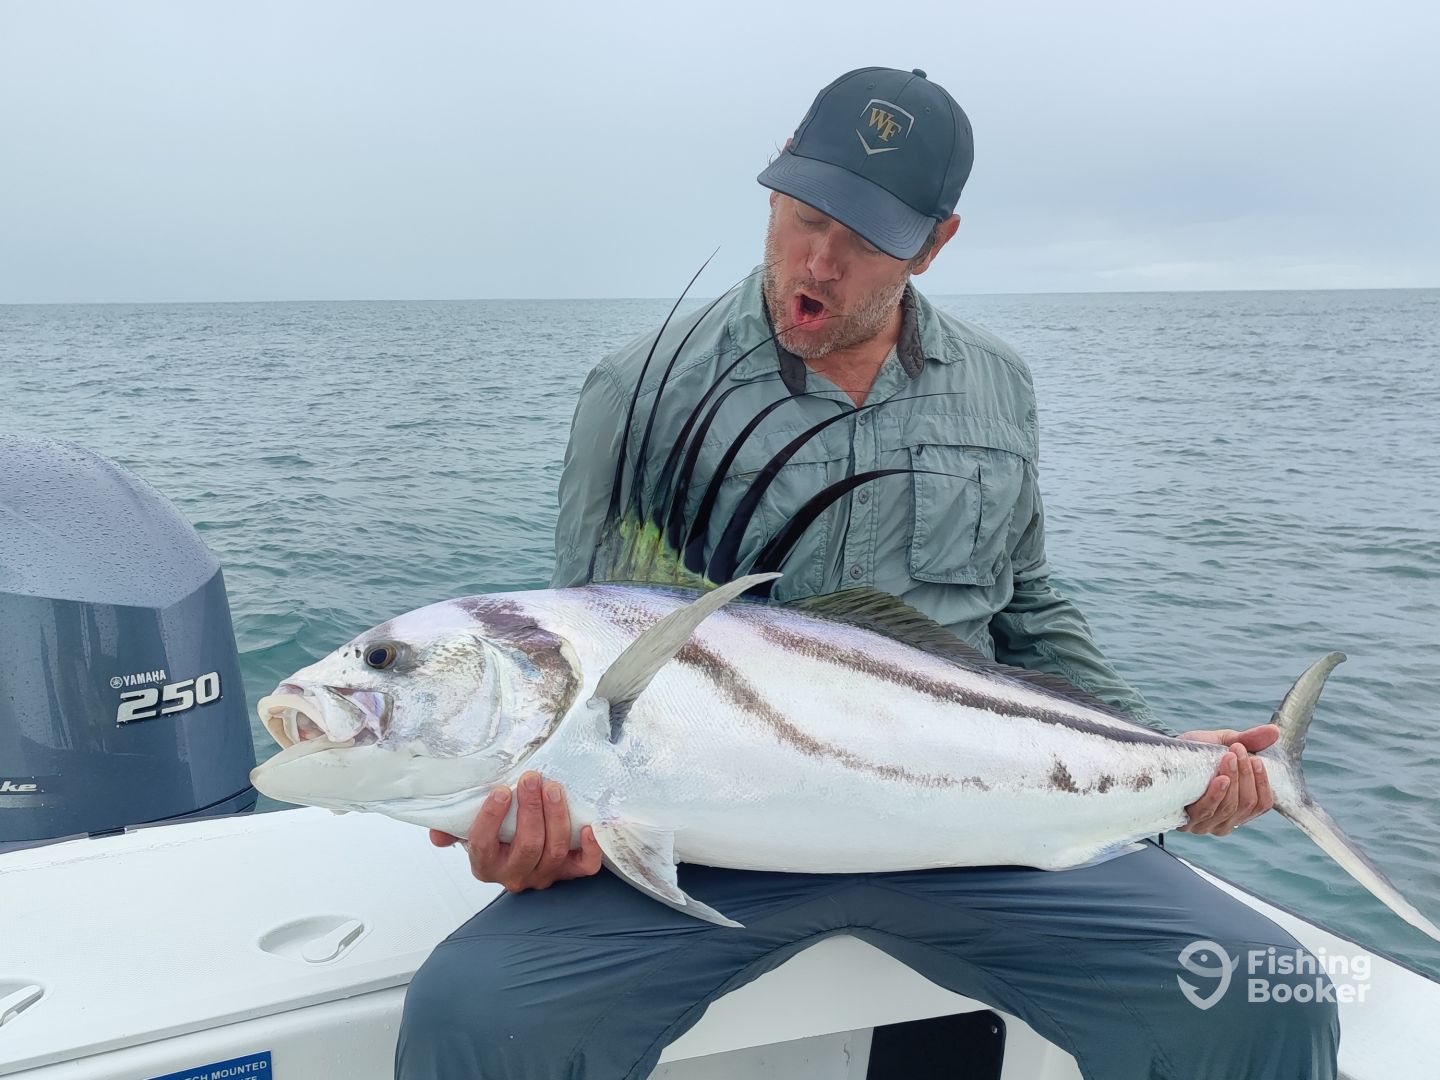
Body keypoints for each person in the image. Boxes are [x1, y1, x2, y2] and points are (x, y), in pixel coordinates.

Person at [396, 68, 1339, 1079]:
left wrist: (1158, 750)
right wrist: (529, 815)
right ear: (772, 189)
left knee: (1261, 991)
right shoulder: (638, 389)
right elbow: (590, 649)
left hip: (972, 823)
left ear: (935, 244)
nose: (818, 262)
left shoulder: (996, 383)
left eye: (866, 239)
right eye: (804, 216)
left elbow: (1024, 604)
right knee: (474, 1013)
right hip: (710, 827)